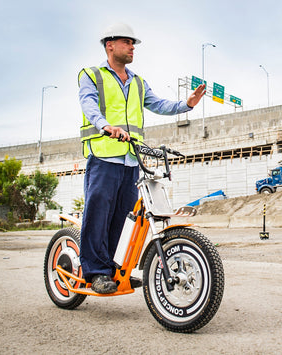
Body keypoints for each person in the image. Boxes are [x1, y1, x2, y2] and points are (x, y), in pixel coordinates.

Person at [78, 23, 205, 294]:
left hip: (131, 161)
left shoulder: (137, 82)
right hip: (103, 156)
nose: (133, 47)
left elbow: (158, 104)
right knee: (97, 214)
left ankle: (111, 269)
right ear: (109, 45)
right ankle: (95, 272)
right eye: (127, 42)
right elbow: (88, 104)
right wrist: (104, 125)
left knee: (121, 219)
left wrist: (187, 104)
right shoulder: (92, 75)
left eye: (133, 43)